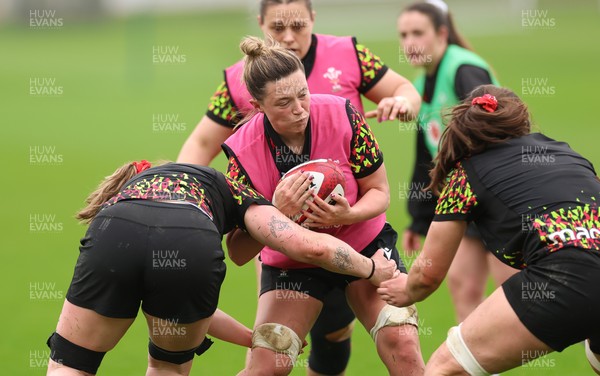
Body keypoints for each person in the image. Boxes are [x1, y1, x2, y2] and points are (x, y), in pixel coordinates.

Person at [178, 1, 421, 374]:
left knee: (400, 343)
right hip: (293, 264)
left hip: (365, 244)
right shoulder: (242, 154)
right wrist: (278, 213)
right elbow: (240, 252)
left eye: (303, 95)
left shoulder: (343, 113)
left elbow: (381, 192)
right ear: (256, 105)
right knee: (267, 363)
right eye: (284, 103)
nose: (300, 109)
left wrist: (349, 213)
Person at [45, 161, 397, 375]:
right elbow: (306, 245)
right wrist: (370, 268)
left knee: (70, 364)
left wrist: (252, 338)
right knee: (166, 367)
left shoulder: (126, 197)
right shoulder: (223, 186)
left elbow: (194, 311)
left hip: (113, 233)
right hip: (191, 240)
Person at [377, 85, 600, 375]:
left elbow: (428, 275)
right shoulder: (565, 152)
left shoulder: (465, 175)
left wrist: (406, 289)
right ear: (521, 121)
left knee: (444, 367)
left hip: (564, 277)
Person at [397, 0, 515, 322]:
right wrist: (419, 218)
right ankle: (477, 368)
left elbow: (492, 126)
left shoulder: (465, 69)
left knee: (513, 293)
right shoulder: (419, 87)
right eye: (404, 34)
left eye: (418, 33)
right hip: (465, 199)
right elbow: (427, 155)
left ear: (442, 33)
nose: (409, 43)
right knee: (463, 287)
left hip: (497, 195)